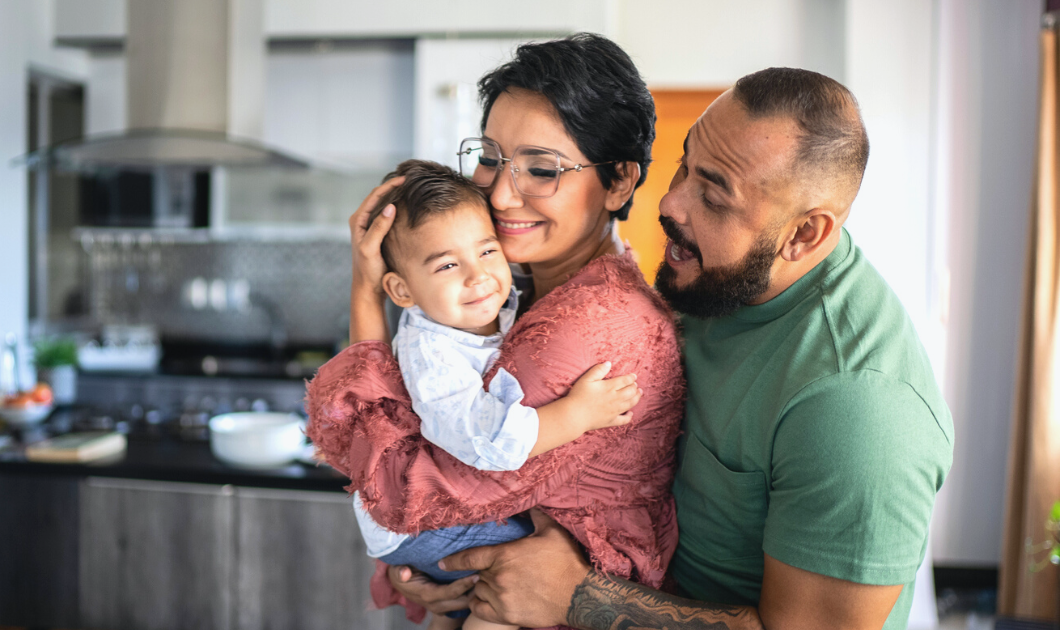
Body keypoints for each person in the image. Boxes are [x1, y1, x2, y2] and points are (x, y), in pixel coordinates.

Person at [431, 69, 955, 630]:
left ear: (804, 235)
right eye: (684, 165)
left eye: (712, 194)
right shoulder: (710, 281)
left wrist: (576, 596)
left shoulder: (858, 408)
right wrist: (445, 567)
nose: (672, 203)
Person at [303, 33, 685, 630]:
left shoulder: (584, 328)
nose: (501, 193)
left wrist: (364, 290)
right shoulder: (519, 289)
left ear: (618, 181)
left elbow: (406, 491)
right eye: (489, 157)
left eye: (541, 168)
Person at [331, 158, 643, 630]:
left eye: (488, 251)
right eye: (449, 265)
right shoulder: (432, 353)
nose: (477, 276)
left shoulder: (487, 303)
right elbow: (487, 440)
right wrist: (578, 414)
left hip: (419, 520)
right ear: (401, 290)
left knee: (487, 586)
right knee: (517, 569)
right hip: (420, 525)